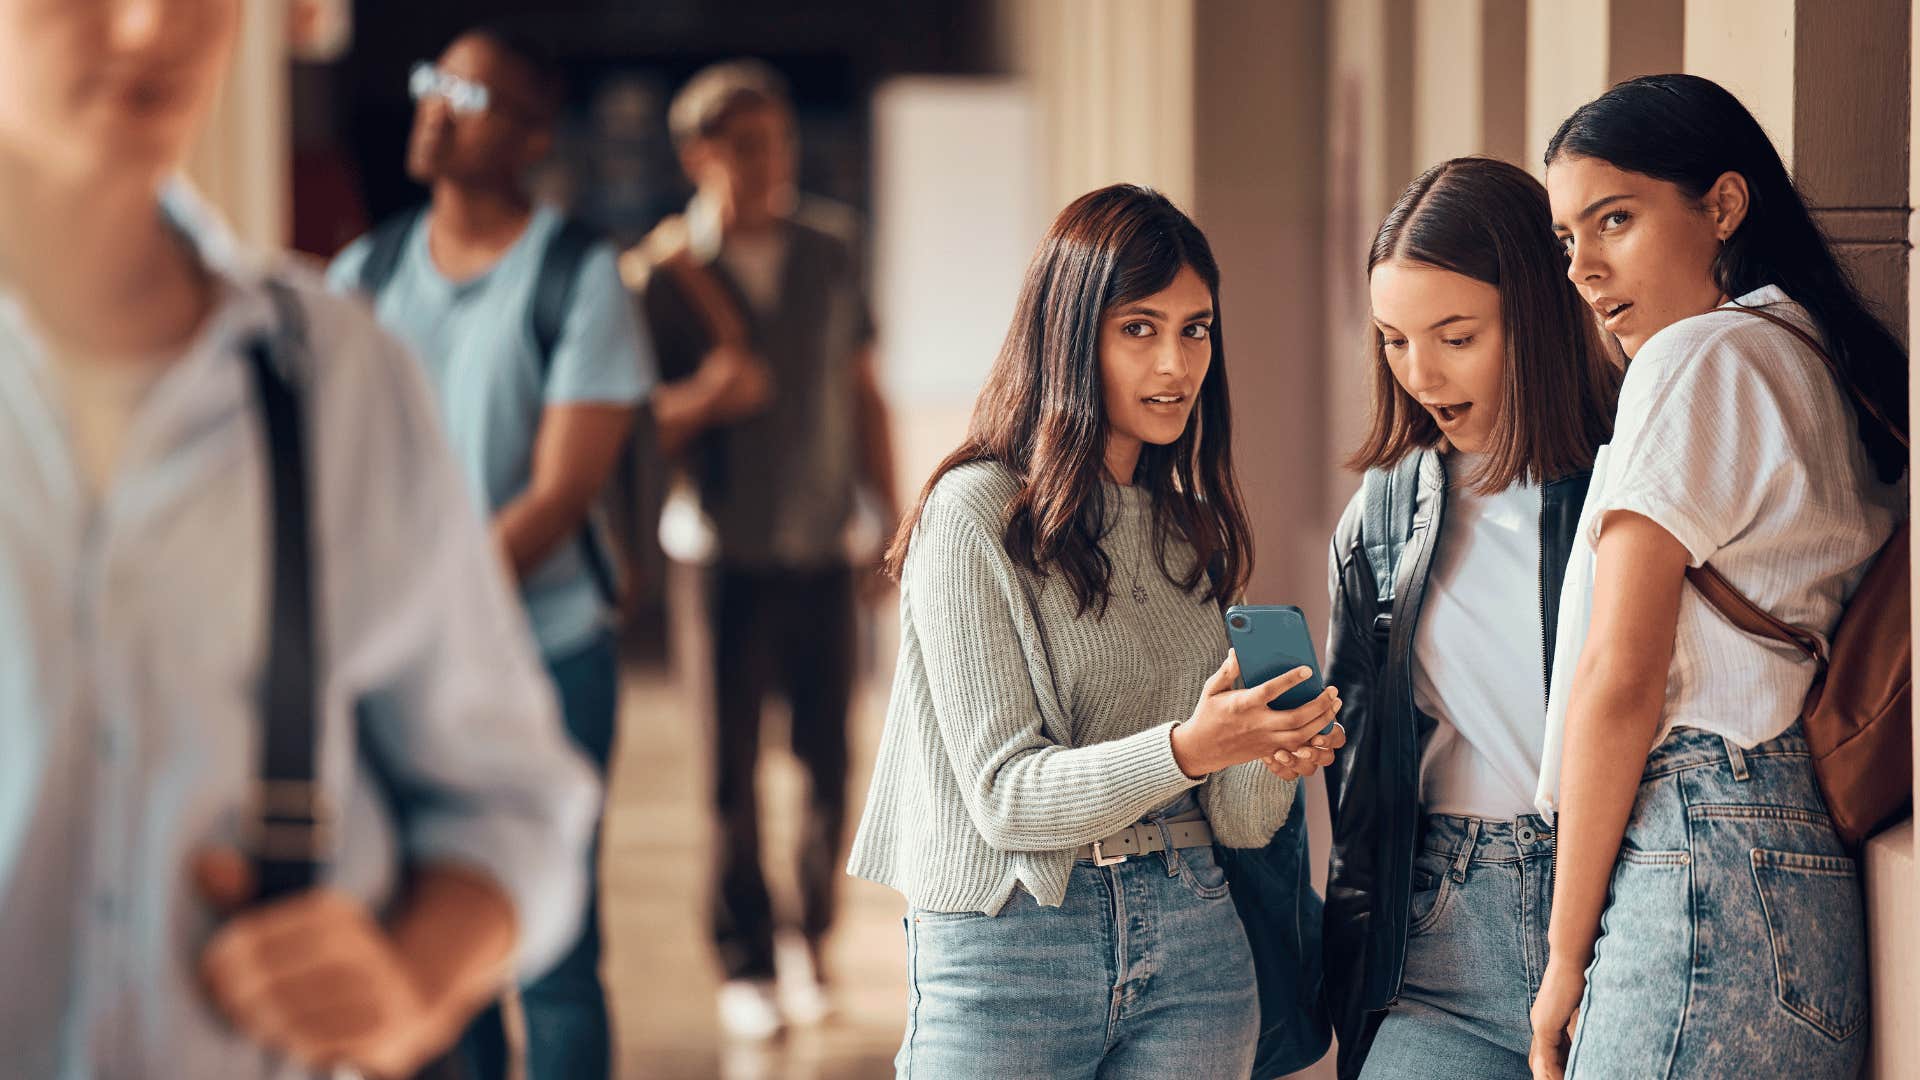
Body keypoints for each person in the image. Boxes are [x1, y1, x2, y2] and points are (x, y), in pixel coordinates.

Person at [0, 2, 598, 1077]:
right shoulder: (377, 269)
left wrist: (416, 978)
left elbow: (515, 805)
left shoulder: (342, 376)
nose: (149, 28)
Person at [847, 184, 1345, 1078]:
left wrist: (1273, 755)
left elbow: (1234, 822)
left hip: (1195, 947)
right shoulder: (974, 516)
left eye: (1196, 330)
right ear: (1074, 336)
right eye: (1139, 329)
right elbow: (1006, 797)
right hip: (1011, 950)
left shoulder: (1189, 526)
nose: (1176, 365)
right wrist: (1192, 748)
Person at [1529, 73, 1906, 1079]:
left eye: (1615, 219)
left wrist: (1564, 961)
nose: (1584, 267)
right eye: (1568, 239)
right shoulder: (1820, 360)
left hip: (1700, 848)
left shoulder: (1694, 360)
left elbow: (1622, 677)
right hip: (1799, 872)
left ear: (1724, 206)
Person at [325, 26, 646, 1080]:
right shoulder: (361, 280)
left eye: (469, 92)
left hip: (550, 650)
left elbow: (560, 491)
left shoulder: (577, 276)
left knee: (547, 945)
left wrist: (430, 610)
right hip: (397, 665)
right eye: (432, 82)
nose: (437, 106)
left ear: (533, 134)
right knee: (431, 937)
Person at [1320, 157, 1620, 1080]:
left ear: (1531, 314)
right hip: (1446, 930)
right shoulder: (1382, 514)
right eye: (1394, 341)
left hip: (1620, 913)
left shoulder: (1630, 481)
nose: (1421, 374)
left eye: (1456, 337)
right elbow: (1364, 775)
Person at [619, 58, 898, 1037]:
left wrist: (891, 516)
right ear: (699, 155)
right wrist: (706, 397)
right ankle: (743, 963)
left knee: (829, 764)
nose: (770, 160)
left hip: (822, 543)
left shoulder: (832, 249)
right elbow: (622, 423)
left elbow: (863, 392)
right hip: (717, 556)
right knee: (726, 777)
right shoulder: (659, 275)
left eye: (778, 140)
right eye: (746, 145)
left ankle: (809, 944)